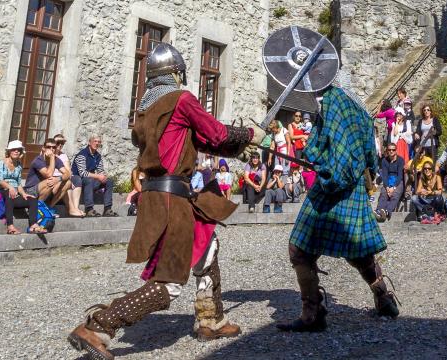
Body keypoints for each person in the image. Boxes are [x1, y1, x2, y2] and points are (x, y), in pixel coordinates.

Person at [67, 43, 265, 359]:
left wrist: (237, 148)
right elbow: (214, 132)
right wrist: (249, 134)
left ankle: (210, 318)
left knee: (207, 249)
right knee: (170, 280)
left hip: (161, 194)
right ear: (176, 73)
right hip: (173, 198)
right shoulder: (182, 99)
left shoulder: (147, 111)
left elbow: (198, 140)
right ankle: (99, 325)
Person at [277, 73, 399, 333]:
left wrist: (319, 163)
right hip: (353, 188)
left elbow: (323, 147)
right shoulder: (360, 107)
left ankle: (312, 313)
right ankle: (384, 298)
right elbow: (370, 156)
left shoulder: (333, 100)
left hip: (330, 186)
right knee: (359, 250)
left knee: (299, 248)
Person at [0, 140, 45, 234]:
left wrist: (24, 194)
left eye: (18, 150)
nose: (16, 151)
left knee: (32, 199)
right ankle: (10, 226)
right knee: (9, 192)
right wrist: (10, 187)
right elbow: (0, 180)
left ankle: (33, 225)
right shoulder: (1, 163)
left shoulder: (19, 165)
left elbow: (19, 183)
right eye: (14, 149)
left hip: (12, 195)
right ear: (9, 151)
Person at [72, 135, 118, 217]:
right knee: (88, 179)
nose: (97, 143)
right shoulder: (82, 155)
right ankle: (89, 209)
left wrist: (103, 176)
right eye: (95, 141)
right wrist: (98, 176)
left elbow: (100, 170)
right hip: (79, 182)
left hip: (91, 181)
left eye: (99, 142)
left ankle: (107, 209)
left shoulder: (98, 156)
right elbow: (82, 173)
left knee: (109, 181)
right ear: (89, 143)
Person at [24, 138, 72, 212]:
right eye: (48, 147)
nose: (51, 149)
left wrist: (57, 179)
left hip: (46, 190)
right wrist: (52, 158)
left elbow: (68, 174)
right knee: (49, 181)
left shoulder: (57, 160)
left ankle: (49, 207)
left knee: (68, 183)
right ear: (43, 148)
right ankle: (35, 209)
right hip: (31, 190)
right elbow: (48, 175)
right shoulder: (38, 160)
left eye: (54, 147)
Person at [54, 134, 85, 217]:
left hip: (64, 176)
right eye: (58, 142)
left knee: (77, 179)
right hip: (55, 177)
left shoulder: (63, 155)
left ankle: (75, 208)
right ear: (53, 143)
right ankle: (71, 209)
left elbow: (69, 171)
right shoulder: (48, 154)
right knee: (67, 182)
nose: (60, 145)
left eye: (62, 143)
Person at [374, 144, 405, 222]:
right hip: (388, 180)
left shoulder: (400, 160)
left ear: (396, 150)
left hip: (397, 181)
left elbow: (400, 175)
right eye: (389, 150)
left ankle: (387, 211)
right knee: (383, 193)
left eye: (393, 150)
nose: (391, 151)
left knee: (395, 195)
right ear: (387, 151)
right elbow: (384, 175)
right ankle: (379, 211)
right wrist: (387, 187)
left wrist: (393, 187)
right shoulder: (384, 160)